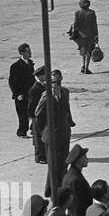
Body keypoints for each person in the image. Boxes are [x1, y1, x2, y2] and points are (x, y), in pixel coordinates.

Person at [34, 69, 76, 197]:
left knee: (63, 163)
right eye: (52, 82)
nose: (55, 85)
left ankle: (61, 188)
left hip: (64, 133)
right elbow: (38, 114)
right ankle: (52, 191)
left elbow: (67, 110)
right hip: (52, 135)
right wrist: (46, 129)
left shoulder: (65, 92)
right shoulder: (46, 95)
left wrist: (69, 124)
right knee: (53, 165)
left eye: (57, 81)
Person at [9, 43, 36, 137]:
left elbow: (32, 79)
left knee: (33, 111)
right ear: (22, 53)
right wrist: (17, 94)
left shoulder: (30, 64)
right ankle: (22, 131)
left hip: (30, 93)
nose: (30, 53)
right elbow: (12, 82)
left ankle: (34, 129)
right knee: (23, 114)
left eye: (30, 51)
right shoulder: (16, 66)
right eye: (28, 51)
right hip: (21, 94)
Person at [68, 0, 99, 75]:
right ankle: (86, 68)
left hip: (80, 36)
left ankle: (83, 66)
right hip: (90, 35)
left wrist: (74, 33)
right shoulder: (92, 13)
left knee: (83, 51)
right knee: (88, 52)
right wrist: (96, 35)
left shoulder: (77, 13)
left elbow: (75, 24)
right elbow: (94, 25)